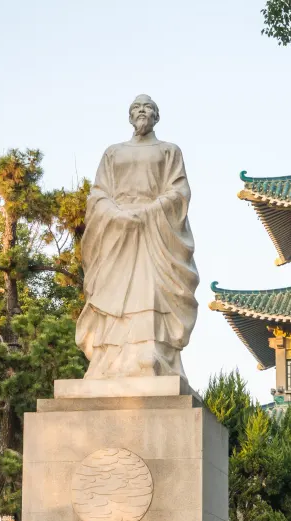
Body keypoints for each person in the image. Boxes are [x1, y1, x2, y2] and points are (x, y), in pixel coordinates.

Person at [76, 94, 199, 378]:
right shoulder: (113, 153)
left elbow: (179, 190)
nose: (142, 111)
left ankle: (151, 355)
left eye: (148, 107)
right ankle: (108, 360)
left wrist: (151, 211)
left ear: (157, 116)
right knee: (113, 291)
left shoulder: (169, 151)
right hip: (117, 232)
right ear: (129, 116)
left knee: (150, 290)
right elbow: (98, 193)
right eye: (136, 108)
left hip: (155, 229)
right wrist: (117, 215)